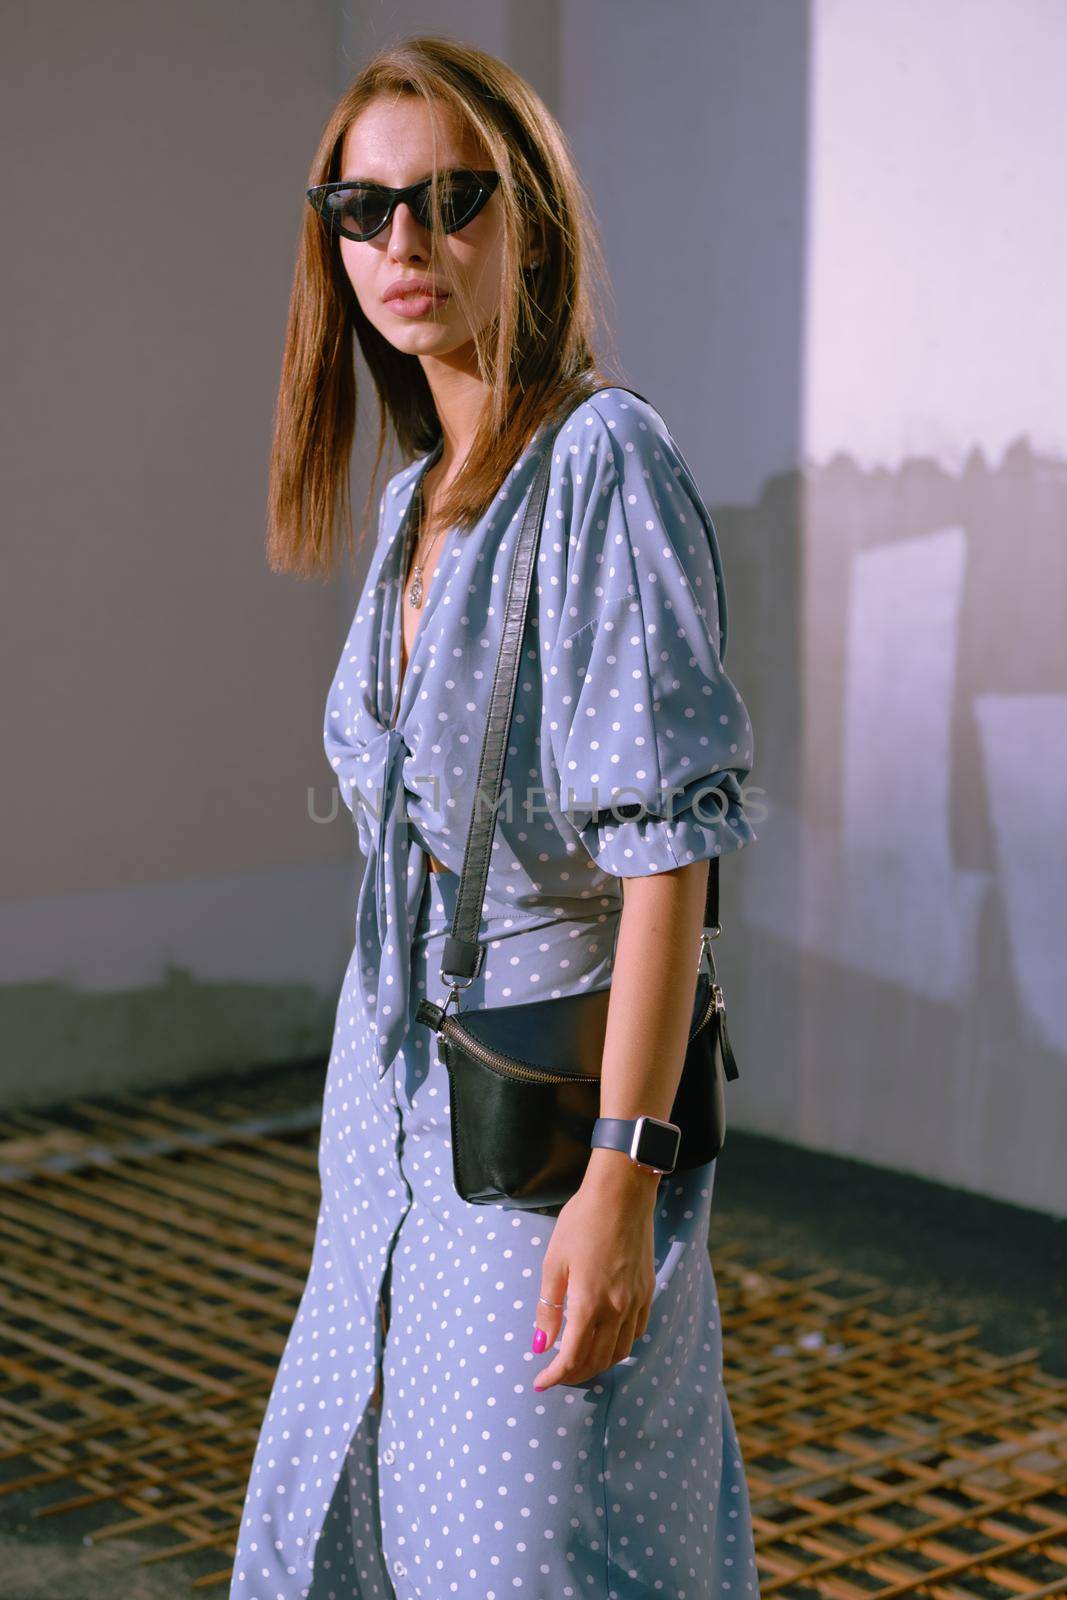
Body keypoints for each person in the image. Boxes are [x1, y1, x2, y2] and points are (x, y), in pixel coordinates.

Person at [231, 32, 761, 1600]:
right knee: (374, 1525)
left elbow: (671, 858)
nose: (404, 244)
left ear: (525, 218)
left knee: (530, 1558)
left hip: (539, 1129)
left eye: (451, 200)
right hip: (387, 1118)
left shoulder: (601, 463)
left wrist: (624, 1178)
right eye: (363, 206)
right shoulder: (415, 500)